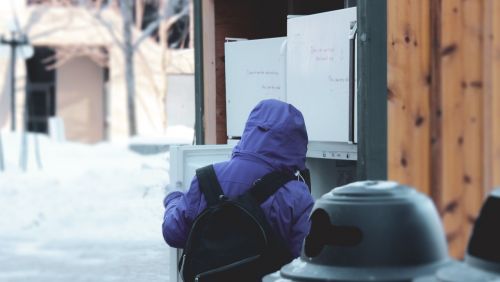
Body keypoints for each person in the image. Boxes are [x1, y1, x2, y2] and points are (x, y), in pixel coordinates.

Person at [162, 99, 314, 262]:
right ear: (297, 143)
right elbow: (305, 258)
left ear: (250, 131)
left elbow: (174, 234)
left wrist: (173, 199)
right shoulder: (297, 195)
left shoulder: (207, 178)